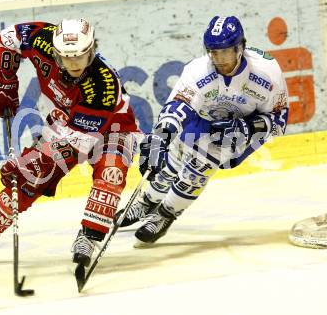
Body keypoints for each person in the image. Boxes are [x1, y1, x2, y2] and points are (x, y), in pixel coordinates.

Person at [0, 18, 139, 267]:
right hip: (65, 122)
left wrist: (33, 161)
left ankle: (89, 238)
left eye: (80, 56)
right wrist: (4, 78)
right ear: (55, 52)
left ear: (92, 50)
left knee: (110, 174)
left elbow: (77, 142)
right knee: (26, 181)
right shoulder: (42, 38)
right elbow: (7, 38)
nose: (74, 63)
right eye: (67, 57)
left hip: (114, 129)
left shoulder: (103, 84)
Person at [116, 15, 289, 244]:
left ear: (241, 48)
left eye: (226, 52)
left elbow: (280, 120)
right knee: (174, 158)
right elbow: (178, 106)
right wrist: (160, 137)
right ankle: (147, 201)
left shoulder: (268, 72)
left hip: (238, 130)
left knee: (200, 165)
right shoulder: (197, 70)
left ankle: (166, 214)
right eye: (214, 52)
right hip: (200, 118)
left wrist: (247, 127)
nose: (220, 59)